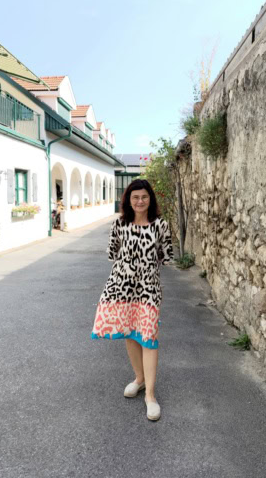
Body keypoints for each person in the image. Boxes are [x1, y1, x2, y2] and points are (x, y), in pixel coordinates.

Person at [91, 179, 173, 421]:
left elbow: (166, 256)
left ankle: (150, 395)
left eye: (144, 197)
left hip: (148, 290)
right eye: (135, 197)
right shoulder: (119, 224)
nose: (140, 201)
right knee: (129, 333)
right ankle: (139, 379)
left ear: (151, 200)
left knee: (148, 338)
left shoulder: (161, 225)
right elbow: (112, 253)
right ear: (127, 199)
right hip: (120, 287)